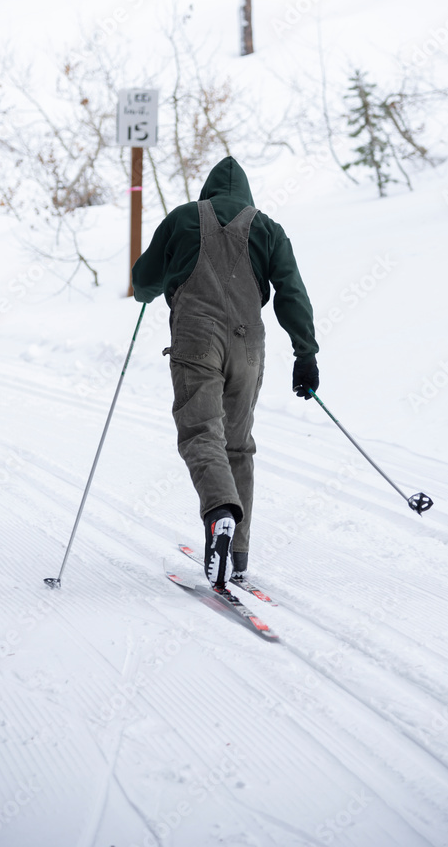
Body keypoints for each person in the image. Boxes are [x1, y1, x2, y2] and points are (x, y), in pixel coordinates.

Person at [132, 156, 319, 587]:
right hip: (249, 347)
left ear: (208, 194)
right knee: (237, 445)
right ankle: (236, 555)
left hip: (197, 339)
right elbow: (292, 291)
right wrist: (305, 353)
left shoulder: (182, 219)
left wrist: (152, 287)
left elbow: (143, 279)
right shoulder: (267, 228)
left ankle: (219, 513)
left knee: (202, 434)